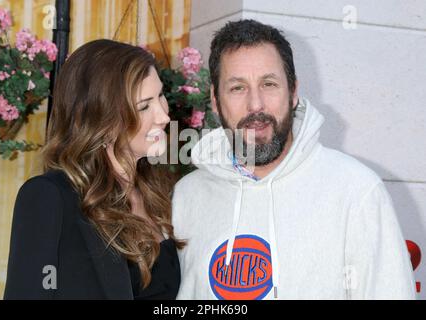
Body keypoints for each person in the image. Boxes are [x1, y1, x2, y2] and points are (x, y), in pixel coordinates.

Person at [172, 19, 416, 300]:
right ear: (215, 100)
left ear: (294, 92)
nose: (256, 105)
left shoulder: (356, 192)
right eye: (237, 88)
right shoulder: (185, 197)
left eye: (269, 84)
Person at [4, 39, 185, 299]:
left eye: (161, 96)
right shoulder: (50, 197)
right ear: (103, 119)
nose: (164, 116)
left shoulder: (163, 191)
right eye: (144, 106)